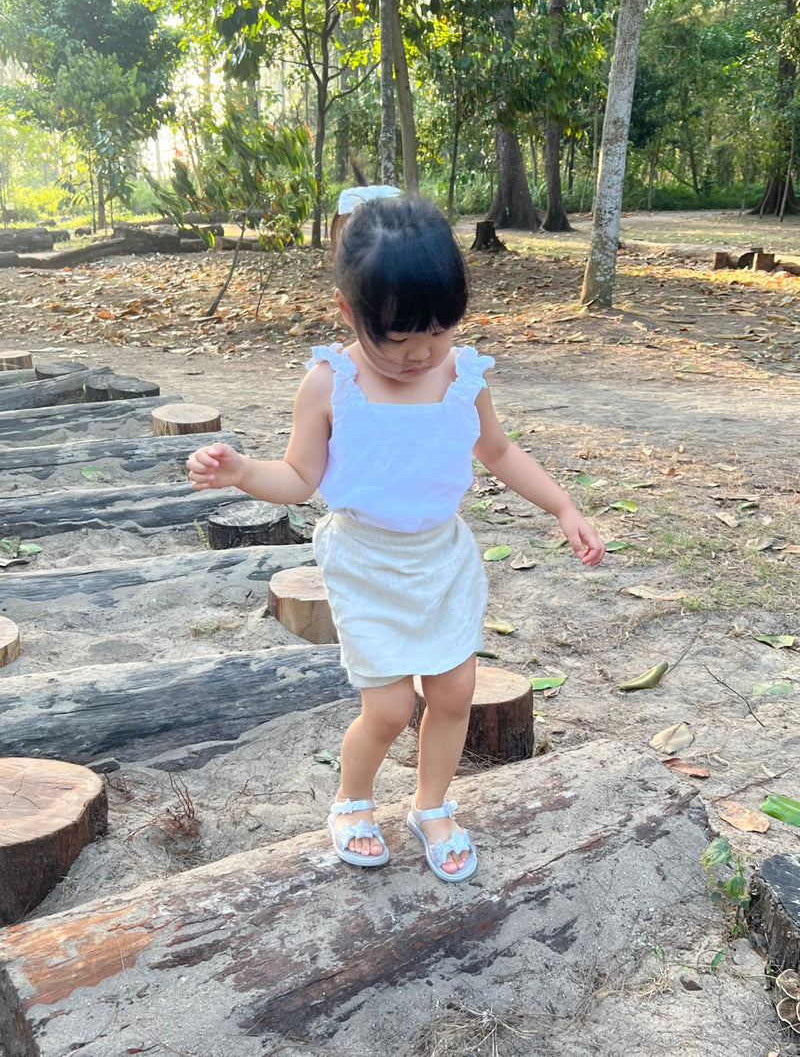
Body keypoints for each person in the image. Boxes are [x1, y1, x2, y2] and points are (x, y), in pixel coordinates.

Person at [186, 196, 605, 884]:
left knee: (454, 692)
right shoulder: (330, 384)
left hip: (442, 557)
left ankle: (430, 806)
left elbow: (499, 452)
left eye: (438, 330)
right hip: (366, 560)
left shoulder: (461, 376)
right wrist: (240, 472)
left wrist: (562, 506)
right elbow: (299, 477)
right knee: (387, 707)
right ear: (349, 313)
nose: (421, 352)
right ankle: (352, 800)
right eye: (400, 335)